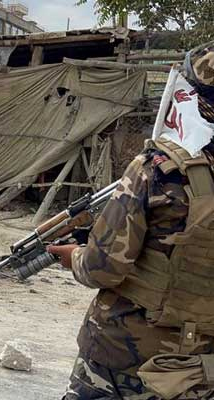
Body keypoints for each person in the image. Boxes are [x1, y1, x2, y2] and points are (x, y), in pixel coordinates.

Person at [49, 48, 214, 400]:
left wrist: (74, 256)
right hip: (197, 371)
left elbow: (102, 268)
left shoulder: (157, 169)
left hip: (125, 360)